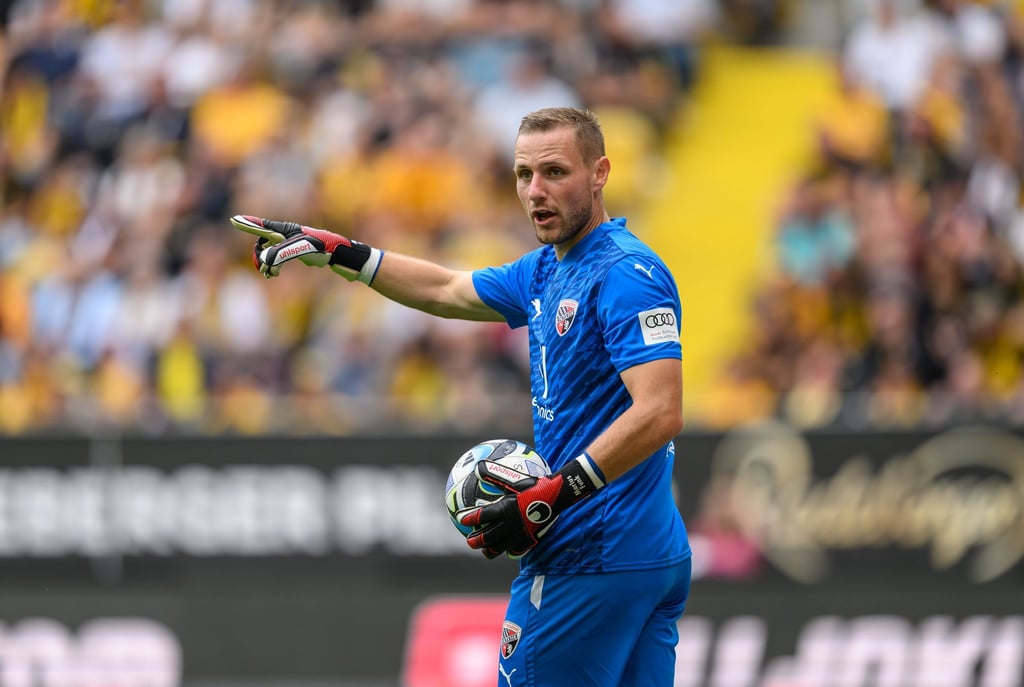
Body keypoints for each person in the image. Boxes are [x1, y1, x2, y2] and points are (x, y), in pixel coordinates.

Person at [231, 107, 691, 686]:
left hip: (587, 555)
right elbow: (448, 289)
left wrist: (552, 492)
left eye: (554, 172)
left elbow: (661, 410)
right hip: (647, 554)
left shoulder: (626, 272)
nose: (535, 191)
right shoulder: (546, 269)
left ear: (599, 173)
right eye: (523, 175)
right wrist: (344, 254)